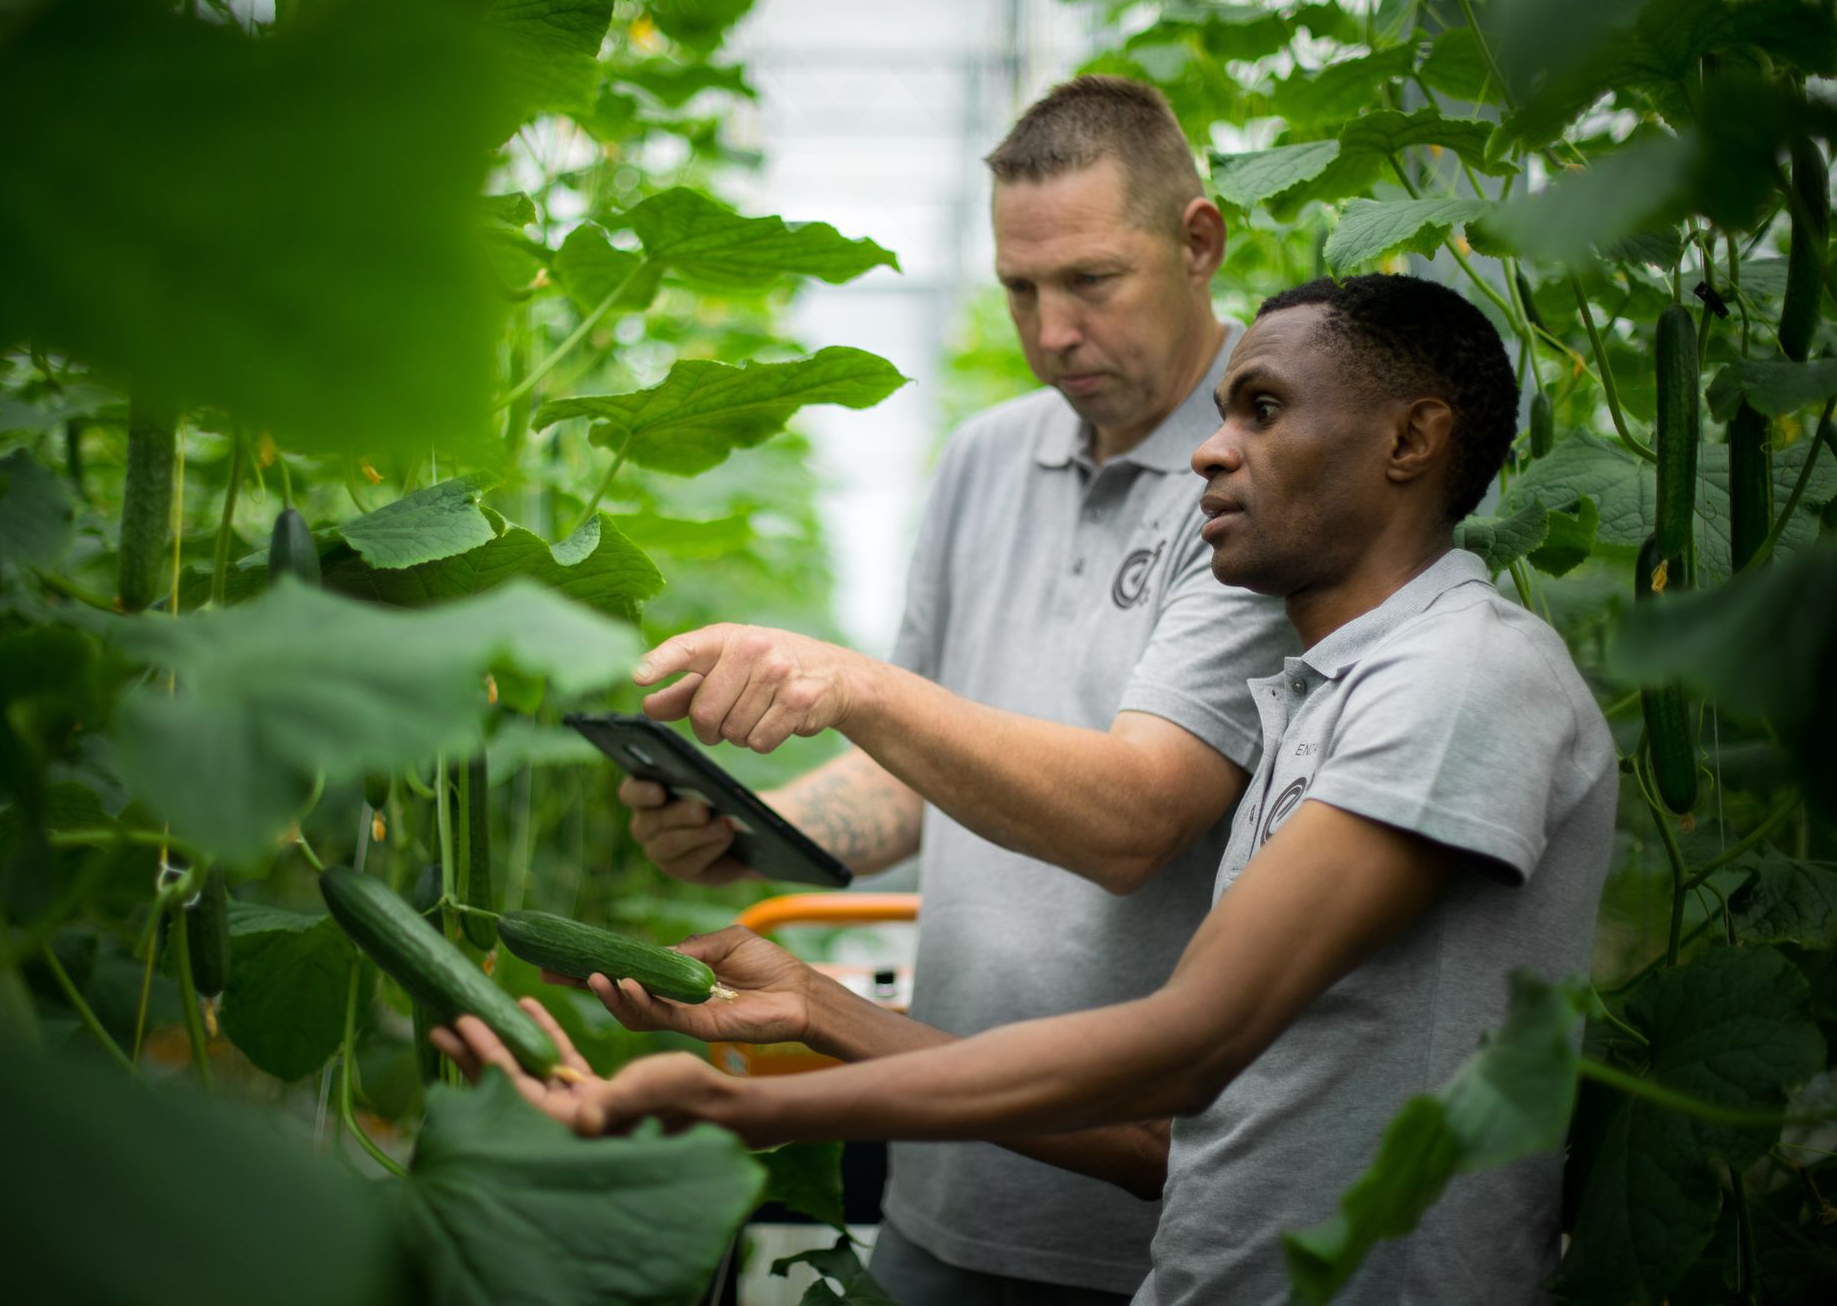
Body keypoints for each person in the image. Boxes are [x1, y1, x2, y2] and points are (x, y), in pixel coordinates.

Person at [440, 273, 1620, 1304]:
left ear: (1410, 440)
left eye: (1261, 409)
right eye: (1221, 415)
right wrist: (814, 1008)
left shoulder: (1461, 674)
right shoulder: (1320, 696)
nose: (1211, 450)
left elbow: (1186, 1040)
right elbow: (1174, 1140)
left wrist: (737, 1109)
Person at [616, 75, 1295, 1303]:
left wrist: (855, 685)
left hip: (1158, 1202)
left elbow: (1133, 821)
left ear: (1198, 242)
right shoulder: (985, 457)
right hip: (950, 1161)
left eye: (1090, 280)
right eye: (1018, 290)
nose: (1051, 332)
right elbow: (913, 765)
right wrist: (749, 835)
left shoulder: (1260, 479)